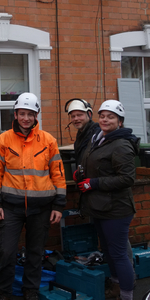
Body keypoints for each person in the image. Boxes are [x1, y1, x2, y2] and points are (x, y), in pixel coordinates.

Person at [0, 92, 67, 300]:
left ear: (36, 115)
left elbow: (58, 175)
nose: (26, 118)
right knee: (6, 251)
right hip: (10, 207)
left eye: (30, 114)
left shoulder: (48, 140)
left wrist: (58, 206)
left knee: (36, 252)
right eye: (22, 113)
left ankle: (31, 290)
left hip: (41, 208)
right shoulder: (3, 140)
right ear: (15, 114)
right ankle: (2, 291)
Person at [77, 100, 139, 300]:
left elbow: (127, 178)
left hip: (116, 209)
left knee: (119, 254)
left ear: (119, 122)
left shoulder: (121, 144)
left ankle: (127, 295)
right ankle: (115, 288)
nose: (105, 119)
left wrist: (93, 183)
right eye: (102, 116)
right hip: (100, 206)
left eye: (110, 117)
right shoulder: (100, 138)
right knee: (109, 252)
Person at [65, 98, 99, 166]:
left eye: (79, 115)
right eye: (73, 116)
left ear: (89, 114)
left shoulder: (97, 134)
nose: (76, 119)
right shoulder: (81, 135)